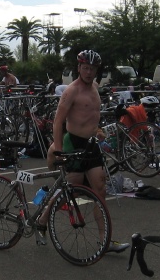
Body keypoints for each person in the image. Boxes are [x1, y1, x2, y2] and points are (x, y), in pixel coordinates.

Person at [39, 50, 129, 253]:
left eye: (93, 69)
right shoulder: (72, 91)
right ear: (78, 68)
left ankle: (104, 240)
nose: (89, 72)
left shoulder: (95, 87)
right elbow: (58, 121)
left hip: (91, 145)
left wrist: (97, 130)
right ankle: (43, 219)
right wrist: (60, 151)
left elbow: (92, 115)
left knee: (100, 190)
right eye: (85, 68)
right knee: (71, 188)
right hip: (73, 143)